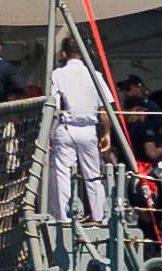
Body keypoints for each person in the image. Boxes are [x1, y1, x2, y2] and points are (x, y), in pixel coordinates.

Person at [44, 36, 117, 234]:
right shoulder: (95, 75)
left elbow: (53, 106)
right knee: (93, 173)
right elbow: (104, 108)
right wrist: (107, 133)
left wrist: (48, 133)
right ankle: (98, 217)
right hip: (88, 129)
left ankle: (63, 217)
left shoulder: (57, 75)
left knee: (62, 173)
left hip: (65, 128)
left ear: (64, 53)